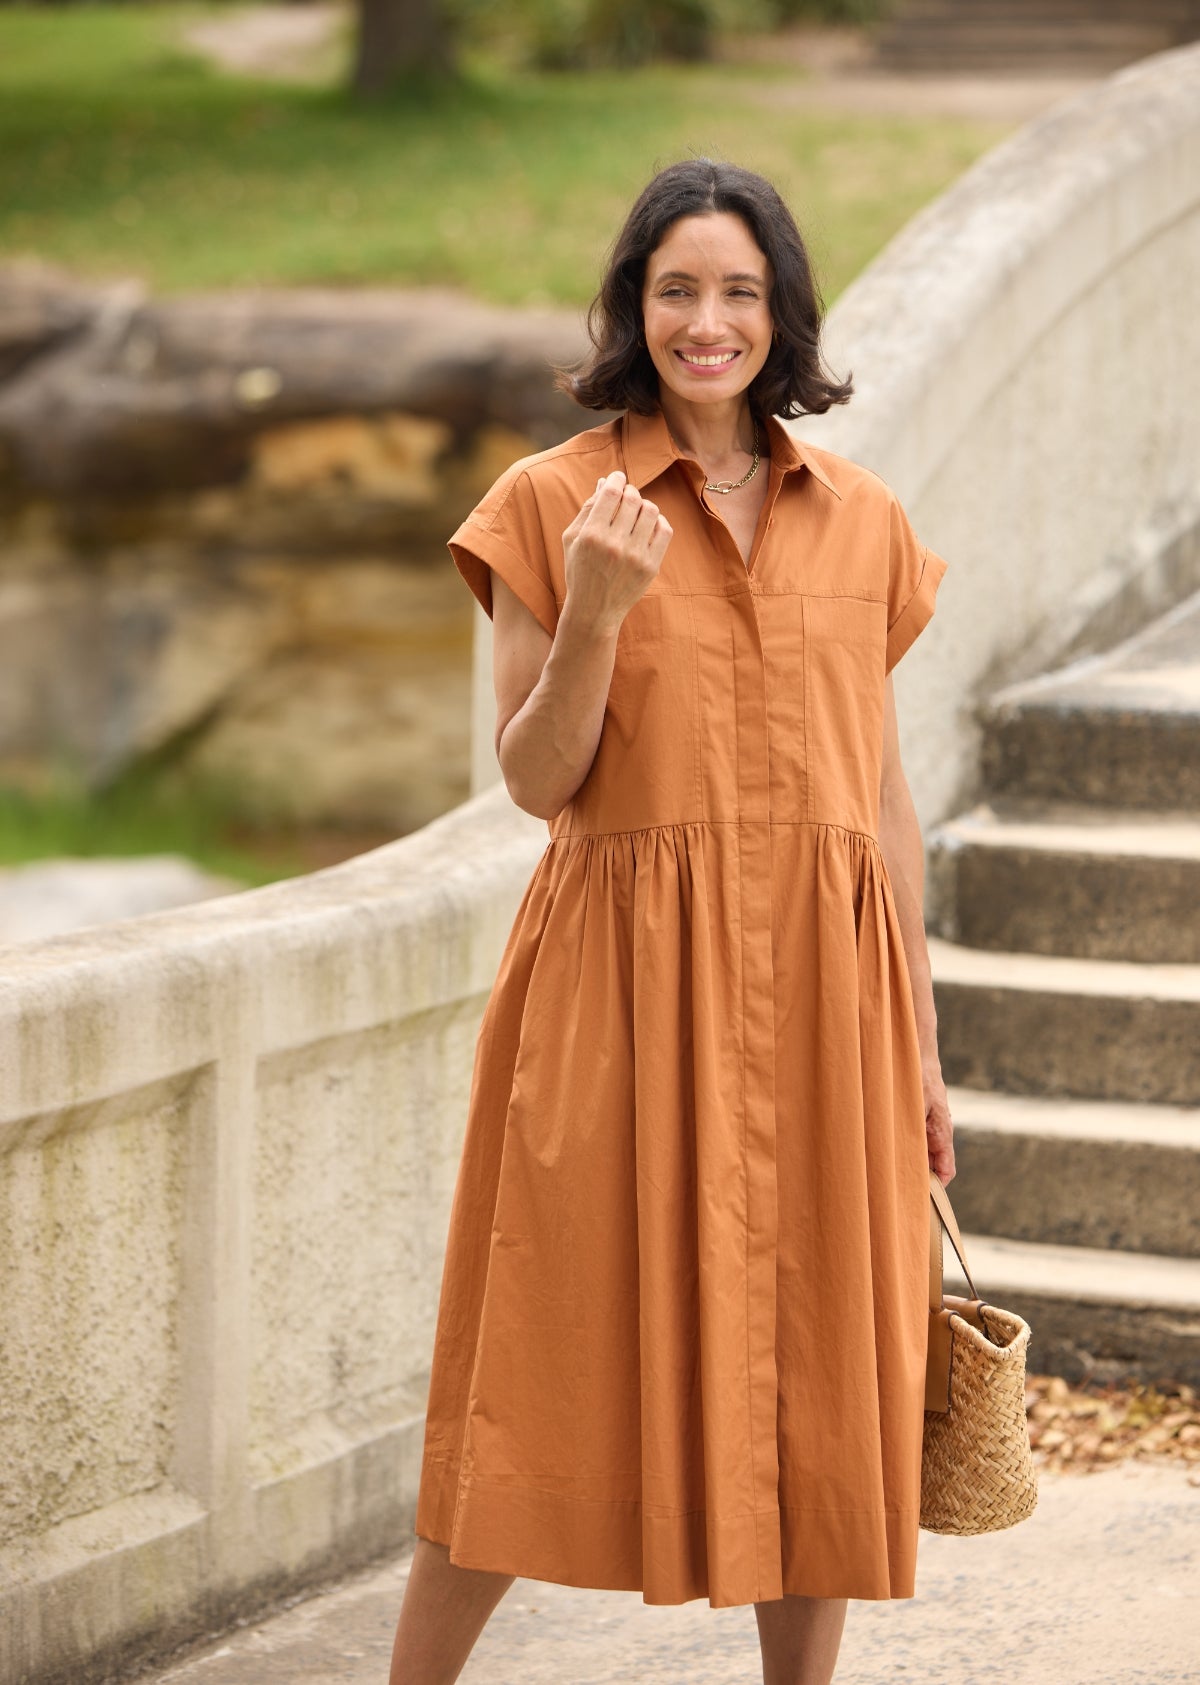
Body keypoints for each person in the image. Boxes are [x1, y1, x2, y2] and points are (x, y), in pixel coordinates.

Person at [389, 157, 956, 1685]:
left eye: (741, 292)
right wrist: (593, 611)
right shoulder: (551, 503)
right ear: (635, 309)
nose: (710, 323)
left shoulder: (867, 523)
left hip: (834, 1004)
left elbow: (881, 798)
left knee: (828, 1385)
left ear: (785, 314)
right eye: (678, 291)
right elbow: (533, 779)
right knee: (541, 1361)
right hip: (620, 1001)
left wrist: (920, 1035)